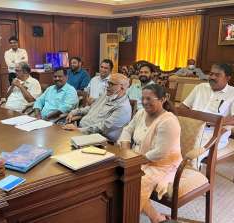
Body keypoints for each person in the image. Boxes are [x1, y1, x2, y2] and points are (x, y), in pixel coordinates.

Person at [118, 84, 182, 223]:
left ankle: (130, 217)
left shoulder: (168, 121)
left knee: (133, 182)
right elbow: (127, 130)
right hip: (138, 157)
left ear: (163, 99)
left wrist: (132, 160)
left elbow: (160, 153)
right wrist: (125, 150)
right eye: (143, 98)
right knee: (116, 175)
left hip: (161, 164)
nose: (145, 102)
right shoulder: (141, 113)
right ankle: (156, 218)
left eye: (149, 99)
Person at [180, 63, 234, 160]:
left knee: (192, 154)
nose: (212, 77)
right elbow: (183, 107)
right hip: (190, 128)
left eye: (217, 75)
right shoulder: (200, 87)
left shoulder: (232, 94)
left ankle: (190, 173)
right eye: (211, 73)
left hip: (213, 134)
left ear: (228, 78)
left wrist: (213, 122)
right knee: (166, 143)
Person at [62, 73, 131, 142]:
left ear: (122, 88)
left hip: (99, 139)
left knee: (64, 143)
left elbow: (103, 128)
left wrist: (78, 130)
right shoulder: (107, 95)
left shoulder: (123, 108)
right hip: (83, 131)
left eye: (111, 84)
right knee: (61, 138)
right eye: (108, 83)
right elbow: (91, 108)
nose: (107, 86)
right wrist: (74, 112)